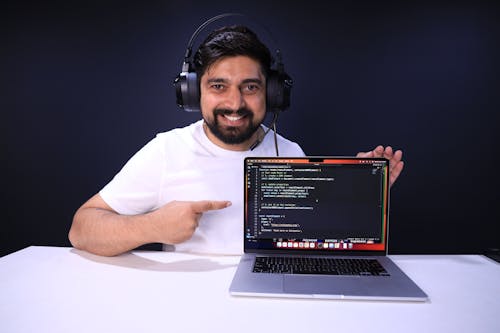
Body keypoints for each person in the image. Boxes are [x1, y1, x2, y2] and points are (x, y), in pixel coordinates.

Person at [68, 25, 404, 257]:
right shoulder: (166, 152)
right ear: (192, 92)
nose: (235, 103)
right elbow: (82, 229)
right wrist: (151, 227)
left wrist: (358, 192)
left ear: (272, 93)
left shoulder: (289, 153)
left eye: (250, 86)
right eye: (218, 86)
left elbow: (315, 242)